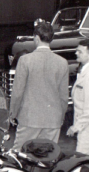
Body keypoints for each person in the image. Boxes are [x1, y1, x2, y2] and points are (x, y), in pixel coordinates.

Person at [9, 20, 69, 150]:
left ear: (36, 38)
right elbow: (64, 96)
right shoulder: (63, 63)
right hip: (53, 120)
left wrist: (13, 113)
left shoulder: (25, 60)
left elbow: (18, 91)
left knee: (20, 155)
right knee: (46, 158)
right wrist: (61, 116)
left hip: (29, 119)